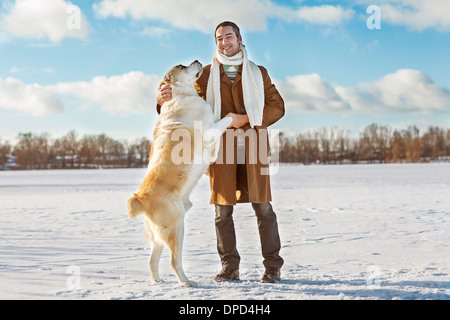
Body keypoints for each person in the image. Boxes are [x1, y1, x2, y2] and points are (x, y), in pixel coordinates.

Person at [156, 21, 285, 283]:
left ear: (239, 39)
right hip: (220, 149)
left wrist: (245, 118)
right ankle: (230, 267)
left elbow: (277, 106)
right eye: (219, 39)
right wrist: (161, 101)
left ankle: (272, 266)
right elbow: (180, 99)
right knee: (222, 211)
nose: (224, 42)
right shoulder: (203, 75)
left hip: (254, 147)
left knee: (264, 209)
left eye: (229, 37)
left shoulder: (258, 73)